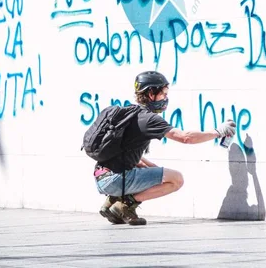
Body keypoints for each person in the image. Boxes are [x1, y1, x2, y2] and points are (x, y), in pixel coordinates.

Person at [93, 70, 236, 225]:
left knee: (152, 169)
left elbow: (126, 153)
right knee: (176, 179)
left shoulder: (129, 112)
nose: (166, 98)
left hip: (101, 177)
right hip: (116, 180)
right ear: (150, 93)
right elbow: (185, 137)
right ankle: (125, 203)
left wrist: (150, 167)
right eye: (163, 93)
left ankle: (111, 203)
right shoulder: (149, 119)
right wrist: (217, 132)